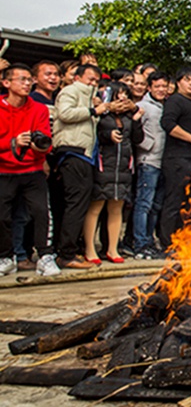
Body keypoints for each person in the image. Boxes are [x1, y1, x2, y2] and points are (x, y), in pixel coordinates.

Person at [52, 64, 127, 269]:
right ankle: (66, 253)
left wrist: (95, 106)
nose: (93, 84)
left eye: (96, 80)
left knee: (81, 202)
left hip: (85, 154)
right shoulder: (70, 91)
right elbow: (65, 114)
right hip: (72, 151)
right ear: (77, 78)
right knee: (76, 203)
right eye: (89, 79)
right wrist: (94, 109)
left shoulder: (89, 97)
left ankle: (69, 250)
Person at [0, 63, 60, 277]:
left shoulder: (39, 109)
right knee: (2, 217)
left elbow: (46, 141)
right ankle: (6, 257)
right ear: (6, 83)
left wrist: (38, 147)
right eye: (22, 79)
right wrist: (13, 142)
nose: (27, 84)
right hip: (4, 170)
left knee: (42, 212)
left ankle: (45, 256)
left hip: (32, 169)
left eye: (29, 80)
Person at [82, 82, 143, 264]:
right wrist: (108, 136)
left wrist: (136, 119)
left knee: (116, 208)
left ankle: (113, 249)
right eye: (119, 94)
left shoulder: (129, 116)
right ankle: (90, 249)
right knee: (96, 207)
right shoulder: (103, 114)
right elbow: (94, 134)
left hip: (123, 167)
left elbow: (138, 139)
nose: (122, 98)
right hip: (103, 165)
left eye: (125, 94)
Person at [158, 66, 191, 250]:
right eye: (187, 79)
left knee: (186, 202)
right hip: (177, 159)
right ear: (178, 82)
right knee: (174, 200)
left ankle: (180, 241)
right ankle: (167, 243)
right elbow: (167, 124)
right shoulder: (175, 101)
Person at [134, 71, 169, 259]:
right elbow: (134, 131)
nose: (161, 90)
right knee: (144, 204)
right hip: (148, 161)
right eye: (157, 86)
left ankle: (150, 241)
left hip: (163, 161)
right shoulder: (142, 106)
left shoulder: (167, 106)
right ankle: (140, 243)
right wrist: (148, 146)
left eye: (164, 86)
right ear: (149, 88)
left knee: (156, 205)